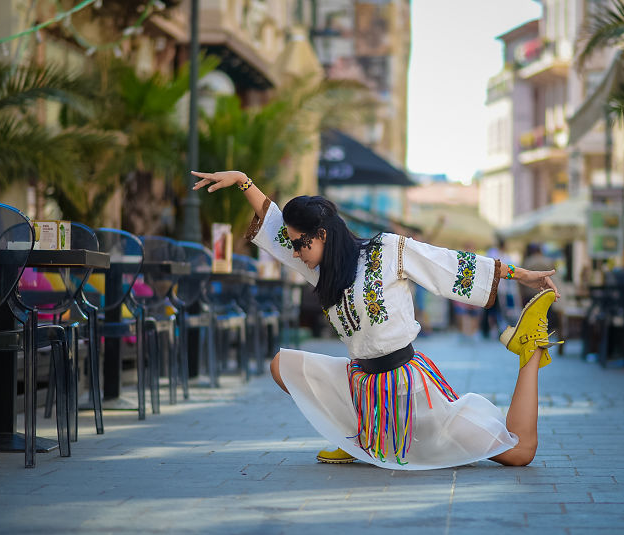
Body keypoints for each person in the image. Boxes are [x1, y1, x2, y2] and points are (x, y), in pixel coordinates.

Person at [191, 170, 561, 469]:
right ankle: (358, 438)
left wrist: (520, 274)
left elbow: (447, 264)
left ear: (321, 235)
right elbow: (274, 226)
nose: (295, 251)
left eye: (301, 242)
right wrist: (244, 181)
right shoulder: (322, 270)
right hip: (362, 387)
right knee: (281, 366)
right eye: (293, 243)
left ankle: (528, 349)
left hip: (409, 391)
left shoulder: (388, 250)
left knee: (518, 453)